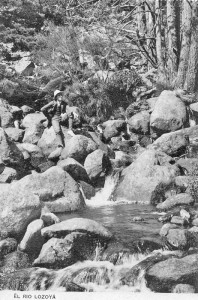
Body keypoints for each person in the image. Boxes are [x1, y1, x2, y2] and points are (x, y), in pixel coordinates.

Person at [40, 90, 74, 159]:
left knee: (71, 114)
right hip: (54, 118)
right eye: (59, 95)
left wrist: (66, 113)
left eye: (61, 95)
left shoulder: (64, 103)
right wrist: (49, 117)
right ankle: (60, 145)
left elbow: (69, 110)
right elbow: (42, 109)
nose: (60, 96)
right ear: (56, 97)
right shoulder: (52, 102)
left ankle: (70, 130)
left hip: (61, 118)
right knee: (58, 130)